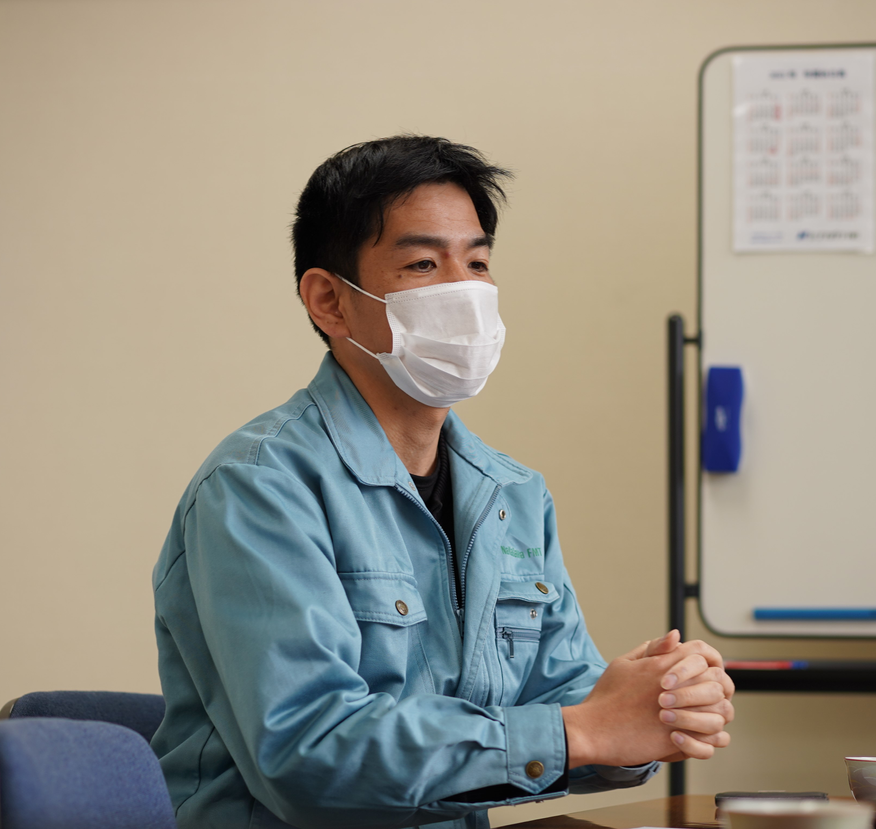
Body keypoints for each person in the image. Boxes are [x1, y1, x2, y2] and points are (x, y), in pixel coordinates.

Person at [150, 136, 736, 829]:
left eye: (478, 262)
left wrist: (655, 702)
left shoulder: (513, 493)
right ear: (329, 301)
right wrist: (583, 730)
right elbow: (308, 755)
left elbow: (566, 706)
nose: (465, 291)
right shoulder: (258, 488)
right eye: (424, 264)